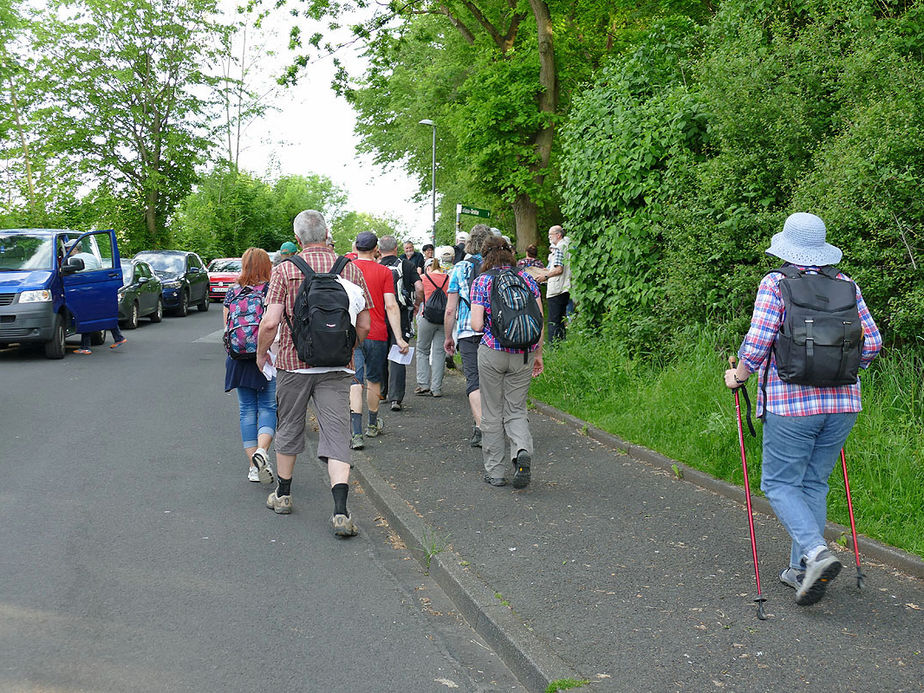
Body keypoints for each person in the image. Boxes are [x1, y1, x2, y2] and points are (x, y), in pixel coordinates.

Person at [724, 212, 882, 606]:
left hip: (791, 402)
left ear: (786, 247)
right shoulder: (846, 284)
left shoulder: (776, 283)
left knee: (778, 484)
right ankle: (800, 571)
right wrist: (841, 368)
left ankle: (816, 553)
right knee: (813, 482)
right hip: (843, 403)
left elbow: (759, 342)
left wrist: (739, 376)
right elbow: (873, 343)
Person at [255, 210, 372, 536]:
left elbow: (270, 322)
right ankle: (340, 511)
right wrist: (348, 347)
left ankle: (283, 494)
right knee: (337, 433)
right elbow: (364, 322)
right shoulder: (350, 268)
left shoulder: (285, 270)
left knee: (289, 426)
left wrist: (262, 353)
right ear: (326, 233)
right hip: (337, 366)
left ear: (298, 237)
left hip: (293, 364)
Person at [469, 235, 544, 488]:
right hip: (524, 353)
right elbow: (540, 320)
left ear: (485, 255)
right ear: (510, 253)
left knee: (492, 412)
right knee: (516, 409)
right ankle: (521, 450)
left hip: (492, 352)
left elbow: (477, 324)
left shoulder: (482, 282)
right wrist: (538, 354)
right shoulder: (527, 279)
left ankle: (495, 472)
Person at [349, 231, 409, 449]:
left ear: (356, 247)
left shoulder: (347, 270)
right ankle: (372, 425)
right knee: (373, 380)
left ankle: (356, 433)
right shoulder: (384, 272)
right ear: (376, 249)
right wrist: (399, 338)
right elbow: (391, 305)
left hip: (352, 333)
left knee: (355, 382)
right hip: (377, 333)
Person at [223, 247, 276, 485]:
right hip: (266, 357)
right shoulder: (270, 290)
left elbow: (226, 329)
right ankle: (262, 453)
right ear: (267, 266)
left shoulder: (233, 292)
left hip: (237, 357)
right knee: (267, 406)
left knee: (246, 410)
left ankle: (253, 468)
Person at [443, 223, 492, 447]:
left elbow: (451, 308)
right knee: (493, 381)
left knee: (474, 382)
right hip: (494, 332)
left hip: (467, 331)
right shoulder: (497, 265)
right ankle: (496, 425)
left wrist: (448, 336)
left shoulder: (460, 268)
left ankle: (481, 428)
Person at [380, 235, 423, 412]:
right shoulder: (407, 265)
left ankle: (382, 391)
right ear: (396, 248)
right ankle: (396, 398)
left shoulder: (377, 267)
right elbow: (419, 288)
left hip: (380, 315)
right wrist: (417, 304)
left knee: (380, 354)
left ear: (379, 250)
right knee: (398, 352)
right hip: (402, 314)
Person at [67, 241, 127, 355]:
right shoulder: (92, 257)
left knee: (85, 315)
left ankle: (85, 347)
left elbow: (71, 275)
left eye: (69, 248)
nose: (68, 251)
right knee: (102, 313)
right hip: (97, 289)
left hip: (83, 290)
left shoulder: (72, 260)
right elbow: (100, 270)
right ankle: (118, 337)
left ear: (74, 249)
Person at [415, 257, 450, 397]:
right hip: (443, 318)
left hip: (427, 317)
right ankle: (436, 388)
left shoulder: (423, 278)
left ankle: (423, 384)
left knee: (422, 350)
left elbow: (418, 296)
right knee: (439, 352)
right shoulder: (448, 278)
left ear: (427, 267)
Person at [536, 225, 571, 344]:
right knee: (561, 318)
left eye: (550, 235)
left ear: (558, 235)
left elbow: (559, 269)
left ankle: (553, 346)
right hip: (564, 288)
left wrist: (545, 276)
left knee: (553, 320)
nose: (549, 237)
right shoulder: (567, 246)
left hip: (557, 289)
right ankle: (561, 344)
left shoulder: (559, 248)